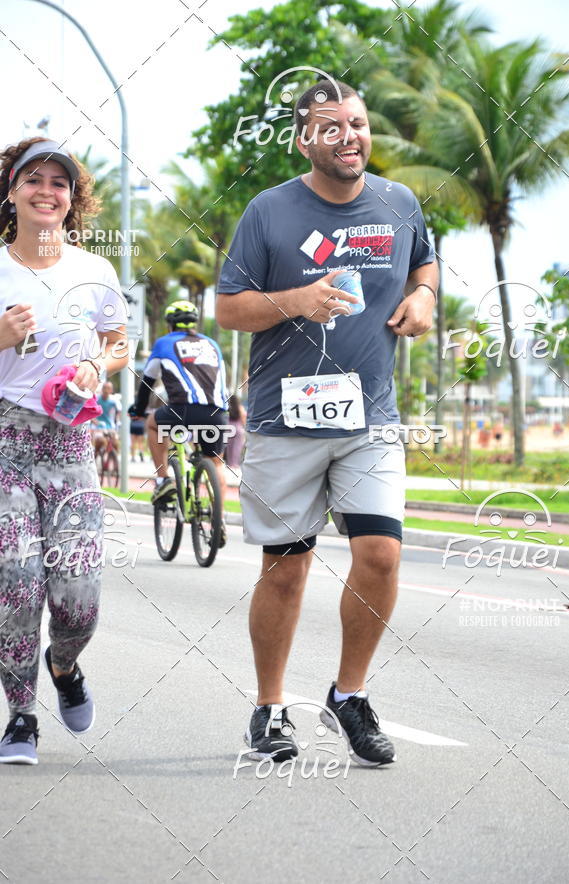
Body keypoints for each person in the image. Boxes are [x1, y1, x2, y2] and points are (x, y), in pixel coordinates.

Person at [217, 80, 438, 767]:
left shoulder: (399, 203)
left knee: (381, 554)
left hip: (370, 416)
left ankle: (350, 694)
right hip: (287, 418)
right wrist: (296, 300)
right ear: (303, 139)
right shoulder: (269, 211)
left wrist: (425, 294)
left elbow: (425, 259)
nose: (350, 136)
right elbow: (229, 308)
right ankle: (269, 708)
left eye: (359, 123)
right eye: (332, 126)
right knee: (287, 570)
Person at [0, 137, 129, 764]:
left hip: (71, 444)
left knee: (78, 598)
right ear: (12, 191)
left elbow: (119, 343)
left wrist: (96, 366)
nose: (46, 191)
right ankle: (21, 716)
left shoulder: (95, 272)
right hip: (5, 440)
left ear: (72, 199)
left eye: (60, 182)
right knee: (15, 580)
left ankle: (64, 665)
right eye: (34, 179)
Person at [129, 300, 229, 543]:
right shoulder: (212, 344)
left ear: (170, 324)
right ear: (195, 323)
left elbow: (147, 381)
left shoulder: (165, 343)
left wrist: (139, 409)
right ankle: (219, 519)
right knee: (216, 463)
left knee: (153, 423)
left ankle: (163, 480)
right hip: (216, 414)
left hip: (181, 411)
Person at [91, 380, 120, 454]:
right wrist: (94, 421)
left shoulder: (114, 401)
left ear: (111, 390)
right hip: (97, 426)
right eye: (105, 388)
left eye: (108, 388)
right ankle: (96, 456)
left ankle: (114, 460)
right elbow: (90, 412)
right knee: (100, 441)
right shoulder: (96, 399)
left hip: (110, 426)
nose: (106, 390)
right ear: (102, 389)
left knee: (115, 442)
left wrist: (117, 421)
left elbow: (118, 413)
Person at [224, 394, 247, 470]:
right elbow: (244, 420)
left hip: (228, 429)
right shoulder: (240, 408)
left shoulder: (227, 408)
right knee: (236, 450)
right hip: (238, 430)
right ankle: (234, 467)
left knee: (229, 449)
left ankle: (229, 466)